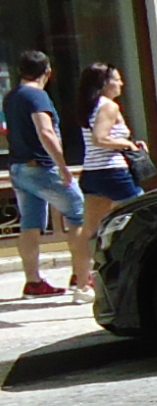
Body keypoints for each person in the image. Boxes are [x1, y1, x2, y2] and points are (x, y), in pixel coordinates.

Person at [7, 50, 86, 299]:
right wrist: (63, 167)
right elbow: (46, 131)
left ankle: (33, 281)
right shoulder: (37, 96)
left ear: (20, 71)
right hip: (41, 167)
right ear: (48, 72)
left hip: (19, 167)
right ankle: (82, 275)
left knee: (29, 225)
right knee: (78, 213)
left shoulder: (11, 96)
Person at [75, 63, 147, 242]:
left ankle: (82, 270)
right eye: (117, 79)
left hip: (92, 173)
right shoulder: (108, 106)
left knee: (90, 230)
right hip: (113, 172)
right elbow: (100, 138)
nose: (121, 83)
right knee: (144, 214)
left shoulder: (89, 105)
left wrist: (128, 142)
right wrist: (128, 145)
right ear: (104, 83)